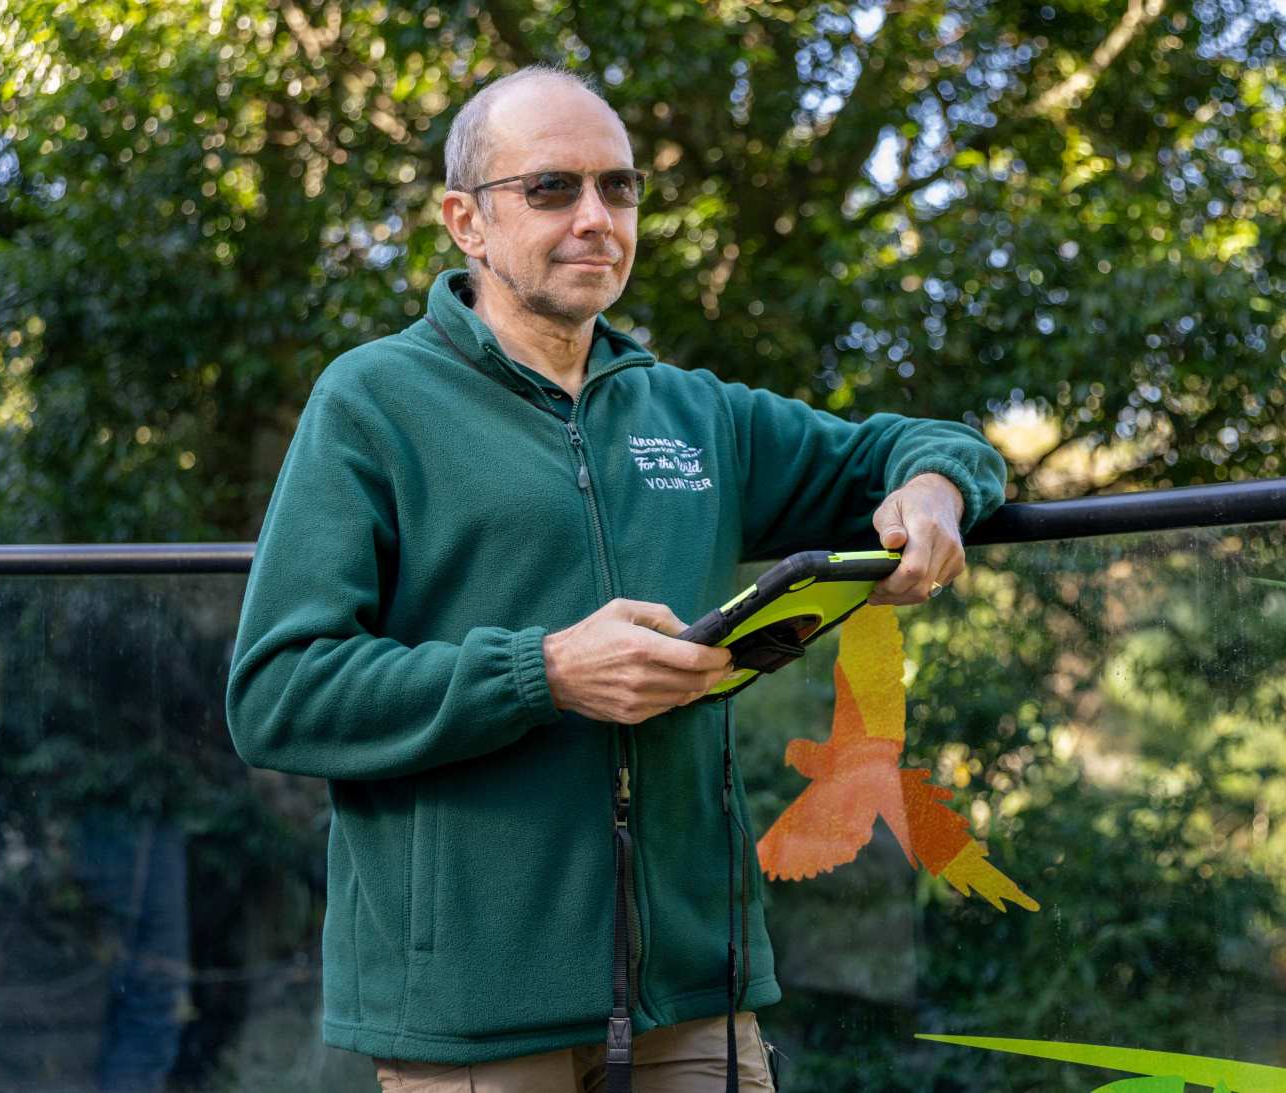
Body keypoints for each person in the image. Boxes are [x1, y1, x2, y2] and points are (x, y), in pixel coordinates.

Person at [225, 64, 1008, 1093]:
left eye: (620, 187)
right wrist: (542, 671)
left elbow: (919, 442)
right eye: (552, 188)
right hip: (476, 1015)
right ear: (466, 220)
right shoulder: (373, 401)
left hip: (696, 995)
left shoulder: (694, 414)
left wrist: (938, 487)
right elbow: (278, 693)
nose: (597, 217)